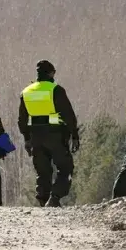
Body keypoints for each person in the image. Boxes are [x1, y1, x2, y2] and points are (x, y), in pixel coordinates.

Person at [18, 59, 79, 207]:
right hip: (55, 135)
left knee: (43, 170)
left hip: (35, 136)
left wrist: (27, 139)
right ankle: (55, 197)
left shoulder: (26, 92)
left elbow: (22, 119)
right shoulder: (56, 90)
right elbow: (68, 115)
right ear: (51, 73)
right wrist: (75, 135)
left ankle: (43, 199)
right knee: (65, 168)